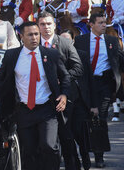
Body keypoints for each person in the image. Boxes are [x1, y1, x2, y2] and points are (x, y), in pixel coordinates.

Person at [0, 21, 70, 170]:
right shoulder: (12, 55)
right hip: (24, 110)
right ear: (21, 36)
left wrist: (64, 95)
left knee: (49, 146)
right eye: (30, 35)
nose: (34, 38)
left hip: (47, 110)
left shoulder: (50, 54)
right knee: (29, 150)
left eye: (36, 34)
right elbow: (1, 78)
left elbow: (65, 77)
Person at [74, 13, 123, 168]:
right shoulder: (80, 41)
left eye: (105, 22)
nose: (104, 25)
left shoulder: (112, 41)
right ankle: (82, 153)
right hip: (85, 84)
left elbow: (120, 61)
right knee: (83, 120)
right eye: (101, 23)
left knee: (100, 120)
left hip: (104, 85)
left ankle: (99, 156)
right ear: (91, 24)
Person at [37, 11, 83, 170]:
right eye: (42, 24)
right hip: (41, 100)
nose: (46, 27)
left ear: (55, 25)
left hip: (65, 99)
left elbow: (78, 68)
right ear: (38, 26)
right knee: (47, 143)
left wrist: (62, 79)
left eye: (49, 24)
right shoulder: (33, 44)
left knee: (67, 139)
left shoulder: (64, 43)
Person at [60, 29, 98, 170]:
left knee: (81, 135)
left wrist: (94, 105)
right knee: (68, 135)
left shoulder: (82, 56)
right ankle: (73, 162)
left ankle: (86, 159)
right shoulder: (56, 57)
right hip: (65, 103)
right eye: (62, 40)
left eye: (67, 40)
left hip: (82, 102)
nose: (65, 43)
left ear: (73, 41)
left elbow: (90, 82)